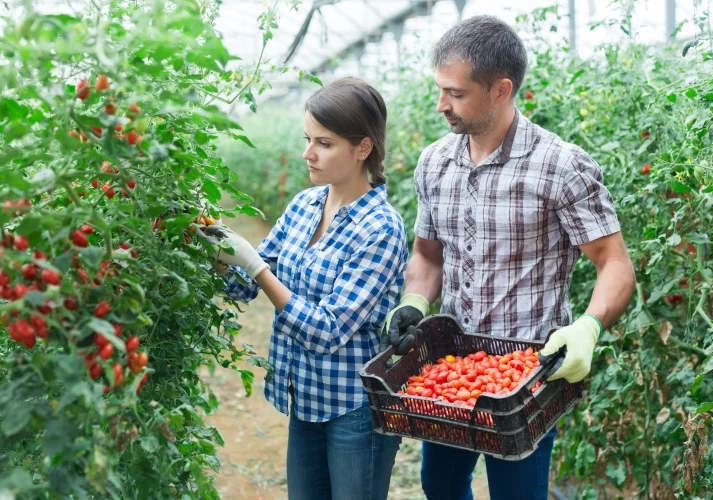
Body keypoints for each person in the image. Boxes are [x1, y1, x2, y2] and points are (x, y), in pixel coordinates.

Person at [383, 15, 636, 500]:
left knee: (518, 492)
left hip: (528, 382)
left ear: (501, 90)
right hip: (450, 370)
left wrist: (588, 326)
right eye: (441, 90)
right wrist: (415, 299)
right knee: (439, 485)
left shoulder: (560, 166)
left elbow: (614, 261)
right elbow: (428, 255)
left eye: (455, 94)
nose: (442, 106)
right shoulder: (435, 163)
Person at [199, 77, 407, 500]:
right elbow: (243, 288)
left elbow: (327, 330)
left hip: (355, 407)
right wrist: (210, 242)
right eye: (307, 139)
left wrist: (255, 265)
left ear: (363, 147)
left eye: (324, 143)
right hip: (307, 397)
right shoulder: (304, 205)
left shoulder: (380, 228)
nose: (307, 153)